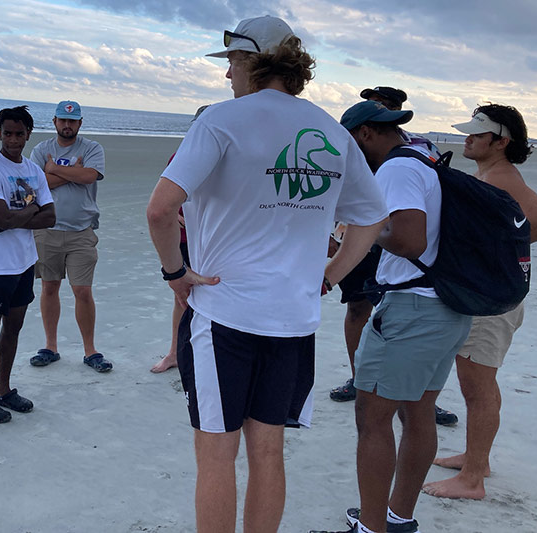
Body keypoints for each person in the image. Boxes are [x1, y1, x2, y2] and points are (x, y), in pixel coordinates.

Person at [146, 16, 388, 533]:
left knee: (215, 454)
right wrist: (329, 275)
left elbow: (160, 209)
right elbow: (371, 217)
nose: (227, 73)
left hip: (224, 314)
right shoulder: (329, 128)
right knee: (269, 452)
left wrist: (176, 273)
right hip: (294, 320)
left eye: (232, 60)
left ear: (254, 61)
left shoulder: (220, 120)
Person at [312, 101, 474, 533]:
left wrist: (363, 228)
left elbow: (408, 240)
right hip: (444, 306)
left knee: (372, 417)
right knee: (417, 413)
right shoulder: (425, 159)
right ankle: (397, 517)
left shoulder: (397, 169)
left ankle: (371, 527)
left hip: (412, 310)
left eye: (348, 141)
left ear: (364, 134)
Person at [423, 104, 537, 500]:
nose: (467, 139)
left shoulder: (502, 178)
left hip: (493, 302)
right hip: (491, 297)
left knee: (478, 386)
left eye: (476, 135)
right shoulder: (490, 174)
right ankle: (474, 458)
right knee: (476, 384)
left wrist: (498, 253)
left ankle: (473, 478)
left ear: (501, 141)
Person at [329, 86, 457, 429]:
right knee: (357, 307)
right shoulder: (416, 152)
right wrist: (337, 237)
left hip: (404, 271)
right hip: (408, 266)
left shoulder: (402, 160)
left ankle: (399, 393)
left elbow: (409, 239)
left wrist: (367, 231)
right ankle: (363, 381)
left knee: (384, 413)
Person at [0, 105, 56, 424]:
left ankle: (3, 390)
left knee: (14, 327)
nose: (13, 139)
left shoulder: (33, 170)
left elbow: (50, 216)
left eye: (20, 134)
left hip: (24, 262)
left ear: (28, 134)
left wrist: (15, 217)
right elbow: (0, 221)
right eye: (7, 133)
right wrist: (29, 212)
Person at [26, 101, 110, 372]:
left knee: (82, 291)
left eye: (72, 121)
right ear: (54, 122)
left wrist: (54, 169)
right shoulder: (41, 149)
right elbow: (36, 184)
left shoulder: (92, 148)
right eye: (62, 120)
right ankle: (50, 346)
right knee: (49, 287)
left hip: (81, 231)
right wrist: (72, 173)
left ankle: (90, 351)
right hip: (47, 229)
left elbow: (90, 176)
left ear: (80, 123)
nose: (67, 125)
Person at [151, 105, 209, 374]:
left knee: (213, 296)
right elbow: (163, 200)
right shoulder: (182, 155)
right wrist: (175, 215)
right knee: (182, 296)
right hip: (186, 238)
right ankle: (175, 352)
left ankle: (205, 353)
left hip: (214, 240)